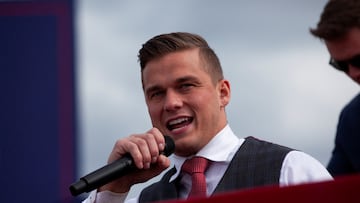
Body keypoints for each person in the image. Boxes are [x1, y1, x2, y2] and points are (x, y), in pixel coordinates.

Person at [83, 32, 332, 203]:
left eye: (186, 85)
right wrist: (114, 189)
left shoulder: (290, 172)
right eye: (156, 93)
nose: (171, 103)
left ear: (222, 93)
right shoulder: (143, 199)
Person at [310, 0, 360, 177]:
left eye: (358, 60)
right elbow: (329, 191)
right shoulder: (353, 119)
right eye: (340, 65)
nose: (353, 73)